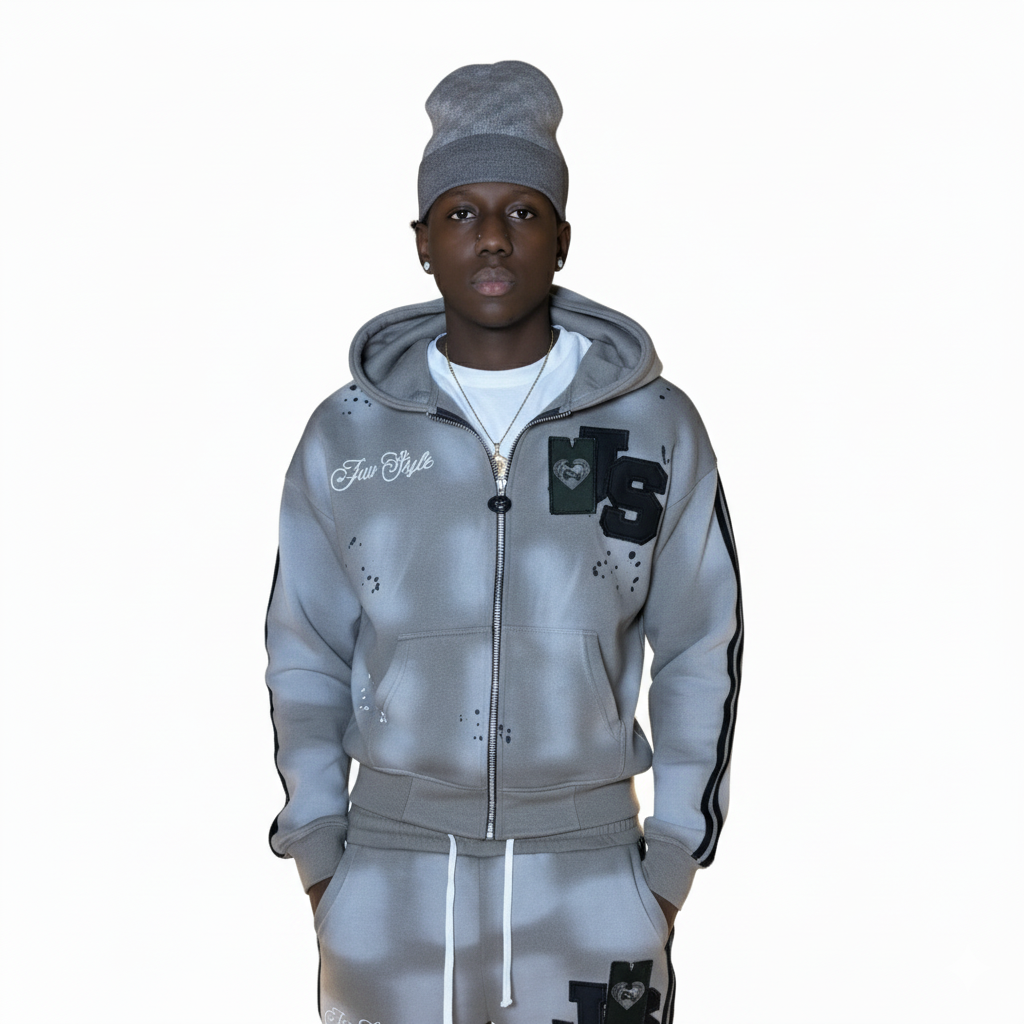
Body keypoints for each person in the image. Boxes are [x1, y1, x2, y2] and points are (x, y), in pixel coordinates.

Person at [265, 60, 743, 1024]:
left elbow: (703, 646)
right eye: (461, 212)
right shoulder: (347, 435)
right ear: (422, 241)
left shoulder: (652, 426)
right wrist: (322, 858)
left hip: (591, 881)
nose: (491, 236)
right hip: (390, 886)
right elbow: (302, 649)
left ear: (562, 237)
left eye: (523, 211)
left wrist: (668, 865)